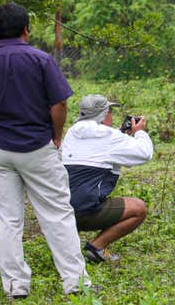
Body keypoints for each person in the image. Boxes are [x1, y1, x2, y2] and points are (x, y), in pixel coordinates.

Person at [0, 2, 93, 298]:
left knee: (7, 218)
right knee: (56, 213)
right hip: (38, 146)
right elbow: (59, 103)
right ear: (26, 30)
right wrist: (57, 136)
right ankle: (75, 282)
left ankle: (15, 285)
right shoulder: (41, 60)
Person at [62, 94, 152, 263]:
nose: (112, 114)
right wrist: (139, 133)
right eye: (110, 110)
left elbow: (97, 147)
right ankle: (96, 247)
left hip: (59, 212)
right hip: (84, 212)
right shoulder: (110, 137)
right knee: (138, 208)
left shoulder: (72, 133)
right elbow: (144, 154)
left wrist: (119, 134)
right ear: (103, 115)